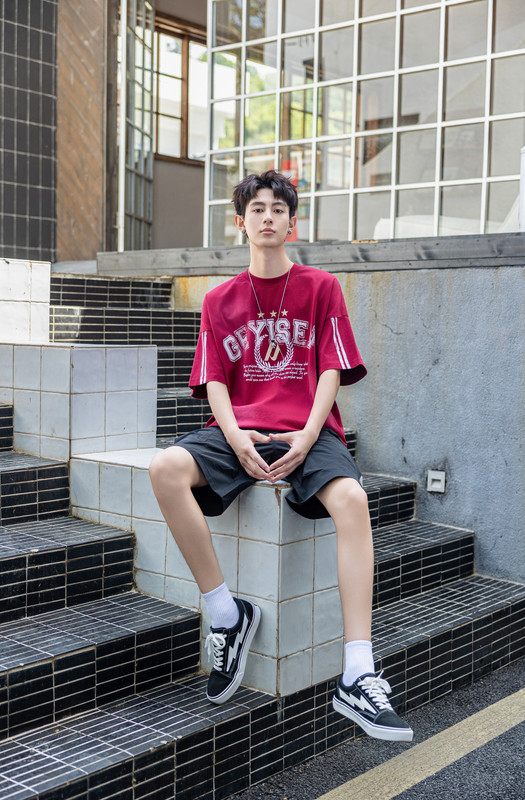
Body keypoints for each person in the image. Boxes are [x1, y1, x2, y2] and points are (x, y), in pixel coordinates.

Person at [149, 170, 413, 742]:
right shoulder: (219, 300)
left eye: (278, 209)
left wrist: (308, 435)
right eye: (257, 209)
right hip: (239, 428)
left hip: (307, 430)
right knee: (164, 468)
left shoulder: (321, 287)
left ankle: (358, 671)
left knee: (353, 500)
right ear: (240, 223)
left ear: (292, 223)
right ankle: (227, 614)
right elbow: (214, 381)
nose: (267, 217)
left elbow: (332, 369)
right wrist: (236, 437)